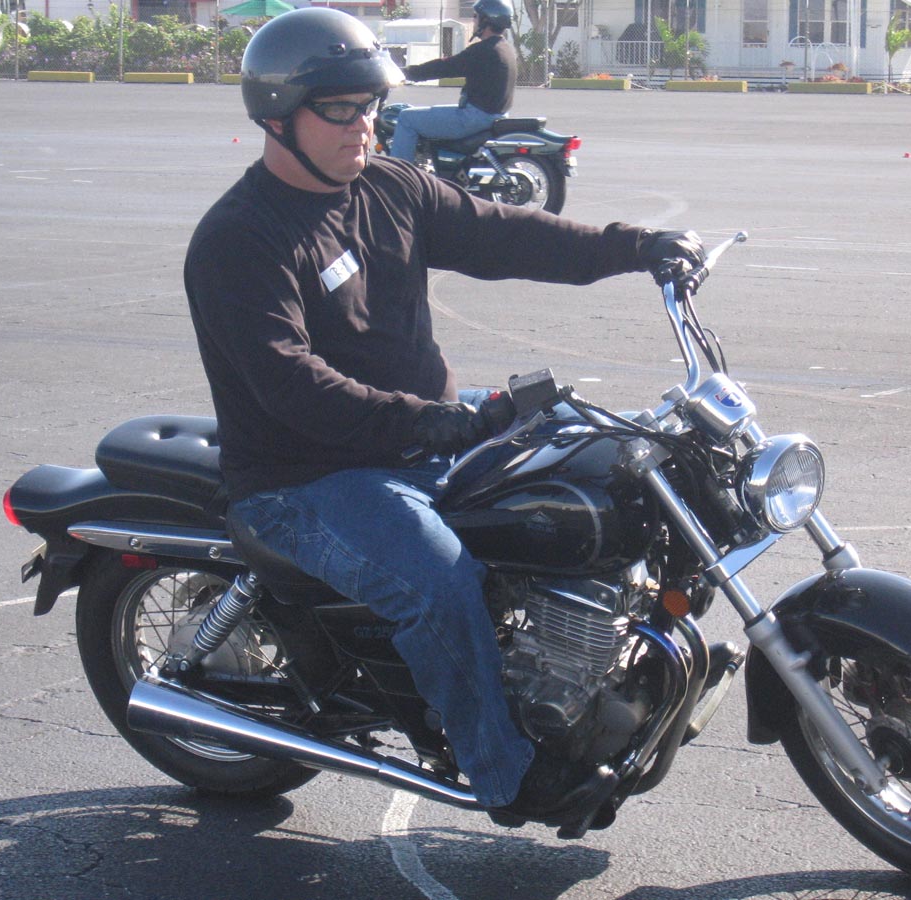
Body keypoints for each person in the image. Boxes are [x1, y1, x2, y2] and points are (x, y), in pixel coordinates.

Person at [184, 6, 704, 827]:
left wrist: (636, 247)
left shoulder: (389, 186)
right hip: (302, 478)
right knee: (438, 580)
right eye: (340, 109)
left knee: (607, 457)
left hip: (419, 430)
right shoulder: (238, 240)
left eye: (372, 106)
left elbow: (510, 236)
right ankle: (505, 774)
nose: (364, 125)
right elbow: (292, 386)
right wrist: (426, 421)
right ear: (277, 116)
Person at [389, 0, 515, 164]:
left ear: (486, 20)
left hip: (475, 117)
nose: (473, 20)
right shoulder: (505, 48)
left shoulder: (485, 51)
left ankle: (398, 174)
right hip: (493, 114)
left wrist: (406, 73)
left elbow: (445, 67)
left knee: (406, 118)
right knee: (424, 113)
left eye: (475, 16)